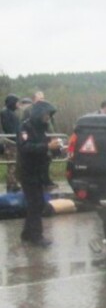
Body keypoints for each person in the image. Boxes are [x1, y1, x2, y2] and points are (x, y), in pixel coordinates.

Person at [17, 100, 61, 247]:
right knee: (36, 203)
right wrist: (46, 146)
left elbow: (47, 148)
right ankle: (37, 236)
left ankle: (27, 233)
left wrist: (57, 149)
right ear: (39, 114)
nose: (47, 118)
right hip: (27, 171)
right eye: (46, 115)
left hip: (39, 171)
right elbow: (25, 147)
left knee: (36, 204)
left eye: (49, 115)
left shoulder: (43, 129)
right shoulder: (25, 127)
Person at [1, 94, 21, 192]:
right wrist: (16, 137)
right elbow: (10, 128)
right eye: (17, 102)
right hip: (11, 142)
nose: (18, 104)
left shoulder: (10, 113)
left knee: (14, 164)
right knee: (12, 164)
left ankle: (13, 183)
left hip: (13, 140)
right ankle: (11, 185)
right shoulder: (6, 113)